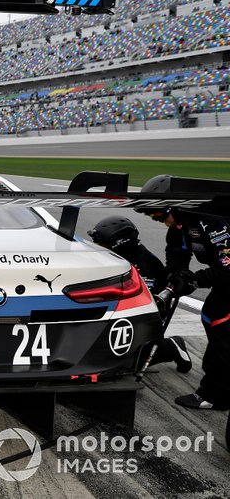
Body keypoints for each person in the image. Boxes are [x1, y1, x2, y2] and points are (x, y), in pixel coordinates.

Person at [137, 175, 230, 410]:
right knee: (212, 317)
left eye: (158, 214)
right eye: (152, 216)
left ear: (175, 206)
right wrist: (176, 275)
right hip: (225, 282)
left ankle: (215, 395)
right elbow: (176, 252)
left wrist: (194, 281)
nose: (158, 220)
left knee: (221, 326)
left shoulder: (213, 221)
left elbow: (228, 268)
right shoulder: (181, 225)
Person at [87, 215, 191, 373]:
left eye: (102, 243)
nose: (98, 246)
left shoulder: (146, 266)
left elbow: (147, 309)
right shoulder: (113, 258)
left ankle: (170, 346)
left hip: (138, 320)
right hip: (109, 316)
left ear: (119, 242)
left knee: (120, 362)